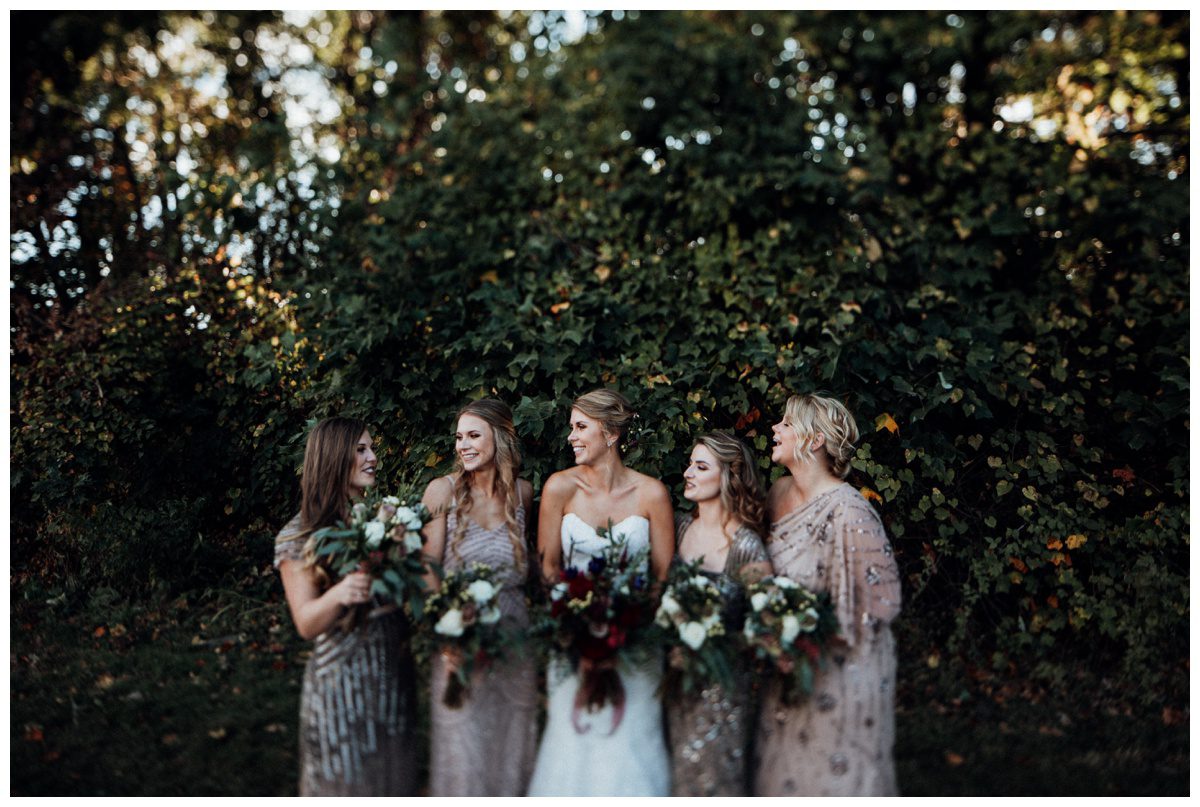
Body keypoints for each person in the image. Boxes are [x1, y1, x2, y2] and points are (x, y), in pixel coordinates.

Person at [527, 389, 675, 796]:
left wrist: (623, 631)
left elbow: (661, 576)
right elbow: (549, 569)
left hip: (636, 643)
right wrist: (581, 629)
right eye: (571, 428)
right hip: (572, 641)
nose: (571, 437)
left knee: (630, 748)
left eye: (580, 427)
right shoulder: (560, 489)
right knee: (571, 746)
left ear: (610, 433)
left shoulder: (652, 494)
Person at [752, 393, 902, 796]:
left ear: (814, 440)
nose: (775, 428)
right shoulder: (778, 493)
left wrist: (804, 639)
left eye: (786, 423)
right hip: (783, 663)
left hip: (837, 668)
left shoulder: (849, 512)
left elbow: (881, 602)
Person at [273, 417, 418, 796]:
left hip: (391, 668)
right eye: (361, 450)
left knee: (394, 780)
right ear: (336, 457)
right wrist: (339, 593)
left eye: (371, 449)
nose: (373, 458)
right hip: (342, 678)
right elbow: (306, 623)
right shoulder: (299, 534)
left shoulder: (380, 521)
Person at [419, 399, 539, 796]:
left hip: (514, 638)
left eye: (473, 435)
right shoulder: (443, 491)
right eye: (458, 437)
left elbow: (535, 568)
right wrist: (450, 631)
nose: (462, 445)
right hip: (460, 639)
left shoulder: (523, 493)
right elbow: (427, 572)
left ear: (500, 438)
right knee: (464, 749)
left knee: (512, 745)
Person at [666, 431, 773, 796]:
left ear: (729, 475)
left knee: (714, 780)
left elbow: (768, 625)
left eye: (700, 466)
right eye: (689, 464)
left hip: (722, 689)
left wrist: (714, 644)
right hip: (674, 680)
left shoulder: (744, 545)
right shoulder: (680, 528)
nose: (687, 473)